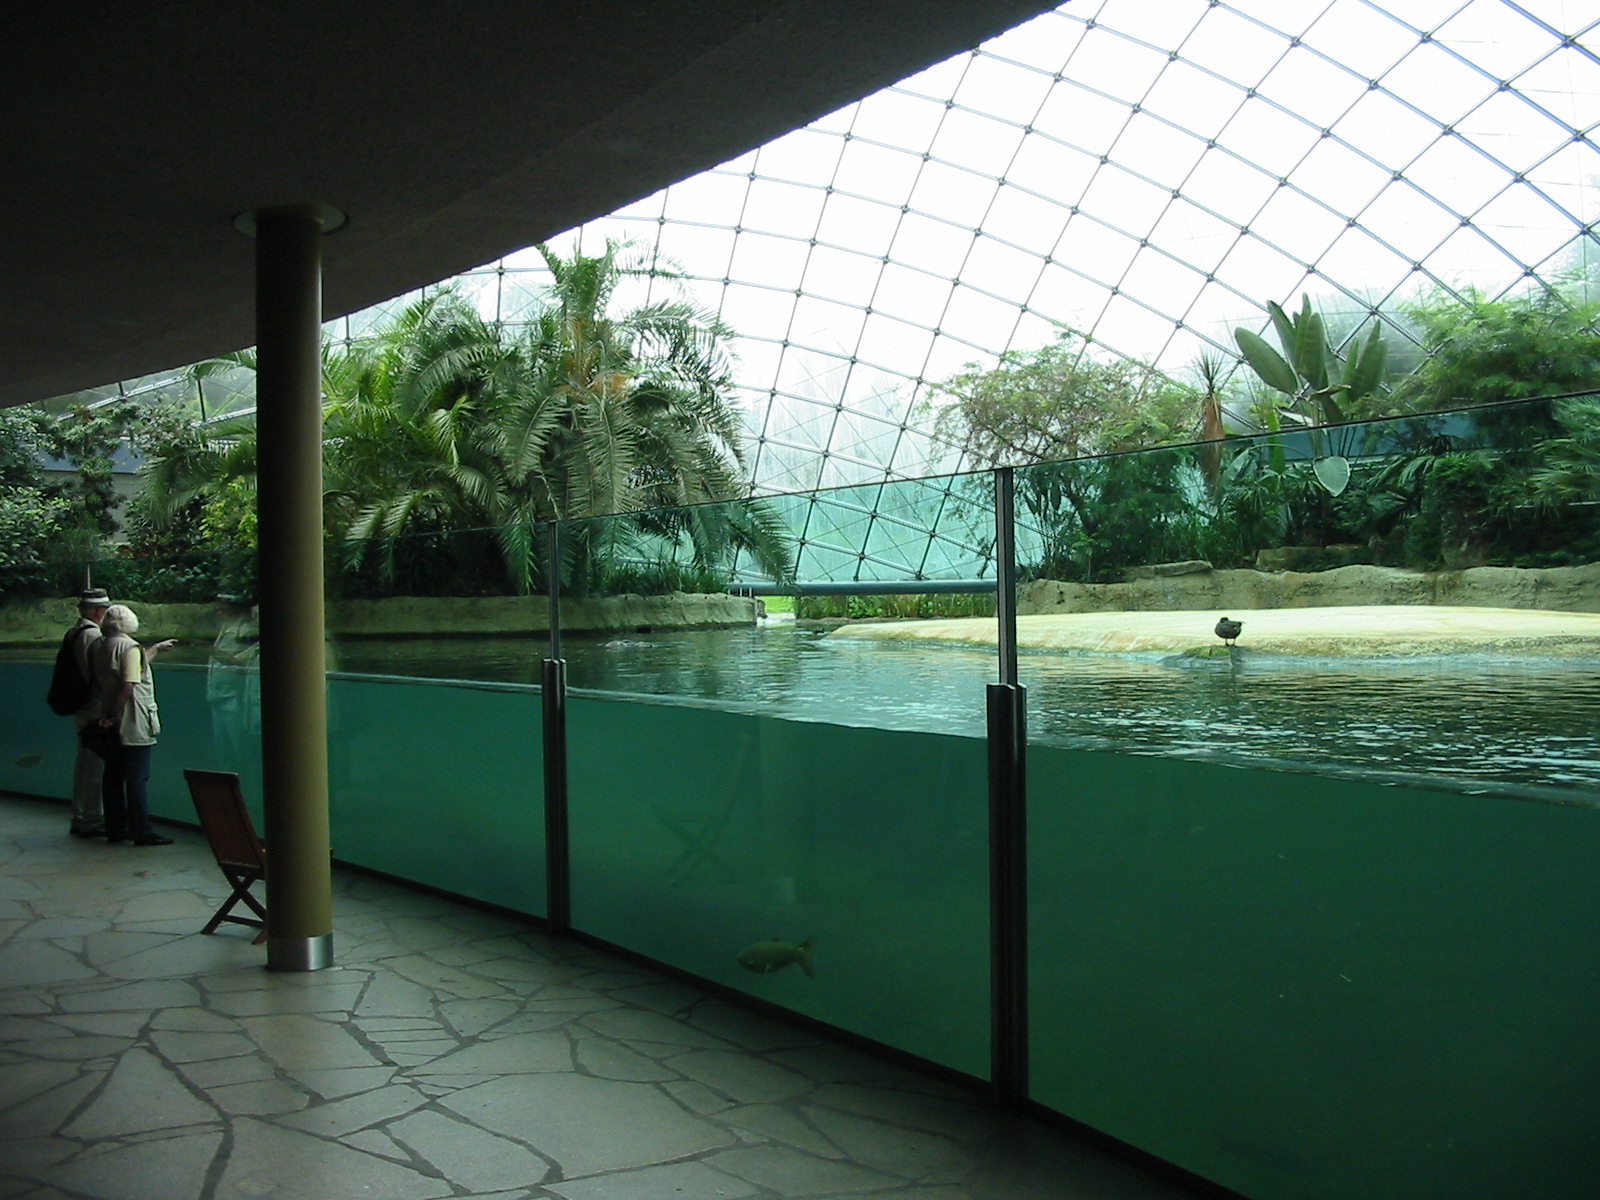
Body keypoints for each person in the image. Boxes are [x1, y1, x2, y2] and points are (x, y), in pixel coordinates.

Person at [92, 604, 178, 846]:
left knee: (113, 776)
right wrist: (114, 714)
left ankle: (115, 827)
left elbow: (134, 665)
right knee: (137, 777)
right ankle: (141, 830)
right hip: (132, 720)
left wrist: (156, 649)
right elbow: (129, 683)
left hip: (109, 720)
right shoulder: (129, 647)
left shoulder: (101, 644)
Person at [66, 588, 112, 837]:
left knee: (83, 763)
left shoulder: (75, 631)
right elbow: (101, 673)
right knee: (95, 766)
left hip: (79, 708)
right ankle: (92, 819)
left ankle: (79, 814)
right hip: (93, 708)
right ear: (99, 611)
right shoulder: (93, 635)